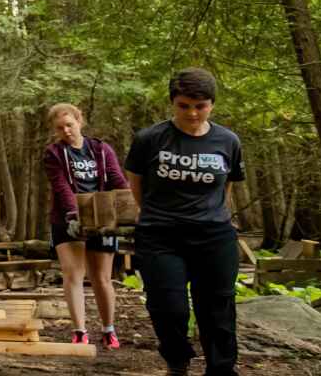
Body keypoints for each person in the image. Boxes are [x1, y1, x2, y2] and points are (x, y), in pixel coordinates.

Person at [124, 68, 245, 376]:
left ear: (212, 104)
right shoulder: (149, 139)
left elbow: (225, 187)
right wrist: (155, 214)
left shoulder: (228, 140)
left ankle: (221, 368)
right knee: (168, 306)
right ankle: (177, 362)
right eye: (184, 105)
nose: (192, 113)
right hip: (161, 235)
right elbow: (137, 184)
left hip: (214, 236)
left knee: (217, 308)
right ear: (173, 103)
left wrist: (212, 214)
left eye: (200, 106)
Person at [41, 103, 126, 349]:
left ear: (79, 121)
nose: (66, 131)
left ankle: (109, 329)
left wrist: (130, 203)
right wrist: (71, 214)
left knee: (102, 277)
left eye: (69, 124)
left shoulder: (101, 149)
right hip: (67, 219)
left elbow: (116, 178)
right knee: (73, 273)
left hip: (102, 219)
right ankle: (79, 330)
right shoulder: (54, 153)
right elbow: (62, 186)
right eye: (60, 128)